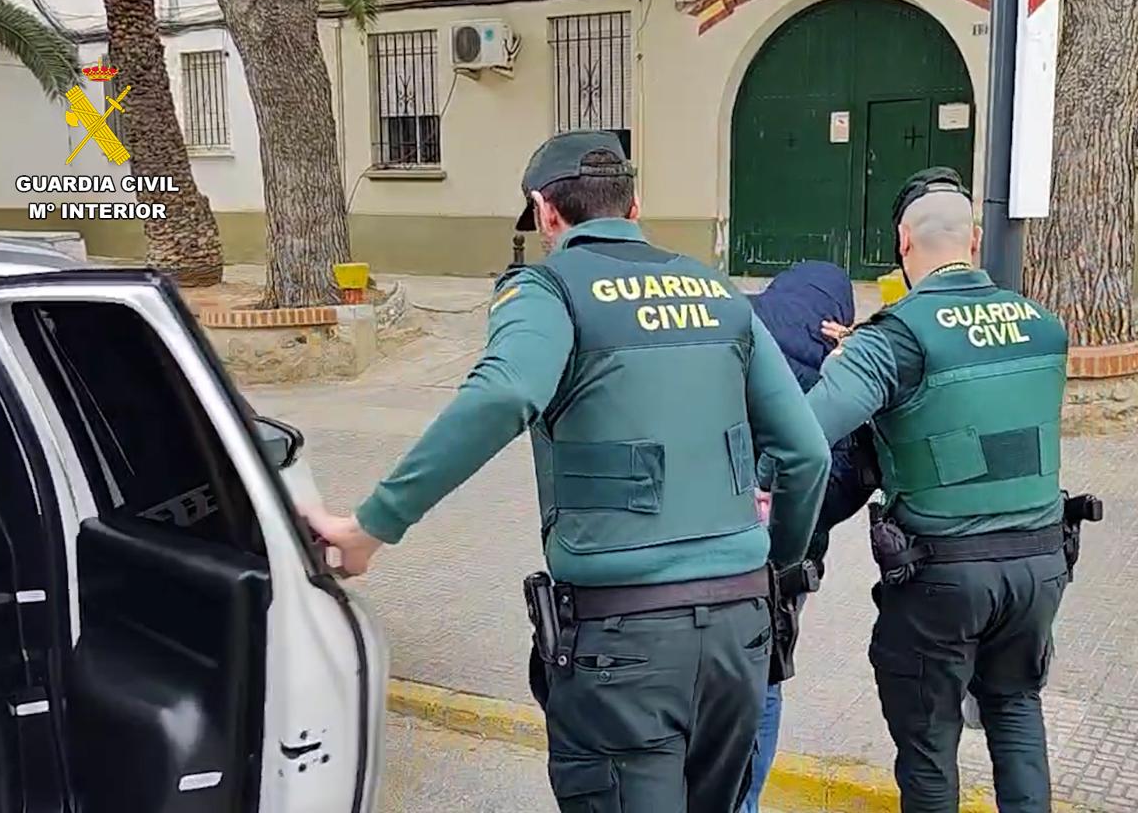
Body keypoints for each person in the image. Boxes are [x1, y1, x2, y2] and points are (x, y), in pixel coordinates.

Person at [302, 130, 833, 812]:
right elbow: (806, 453)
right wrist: (773, 575)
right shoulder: (719, 292)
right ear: (635, 206)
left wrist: (373, 526)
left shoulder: (546, 288)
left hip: (625, 645)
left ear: (545, 211)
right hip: (741, 635)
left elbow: (502, 393)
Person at [785, 167, 1071, 813]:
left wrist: (848, 364)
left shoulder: (895, 339)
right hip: (1039, 570)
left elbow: (804, 436)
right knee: (1017, 711)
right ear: (973, 241)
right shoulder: (1043, 326)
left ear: (903, 245)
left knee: (929, 751)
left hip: (943, 579)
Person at [738, 261, 878, 813]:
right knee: (764, 683)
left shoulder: (735, 330)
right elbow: (839, 485)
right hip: (780, 570)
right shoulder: (838, 378)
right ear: (837, 319)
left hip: (700, 556)